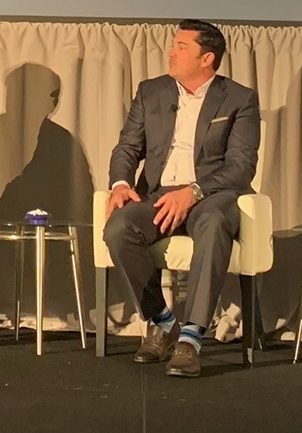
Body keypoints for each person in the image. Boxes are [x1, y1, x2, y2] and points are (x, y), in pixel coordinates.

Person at [102, 20, 260, 378]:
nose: (171, 52)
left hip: (211, 195)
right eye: (173, 45)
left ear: (207, 58)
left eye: (181, 47)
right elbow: (128, 147)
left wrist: (193, 192)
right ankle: (163, 321)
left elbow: (241, 167)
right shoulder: (151, 91)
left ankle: (191, 337)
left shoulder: (239, 98)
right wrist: (121, 184)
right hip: (159, 194)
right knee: (119, 229)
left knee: (215, 223)